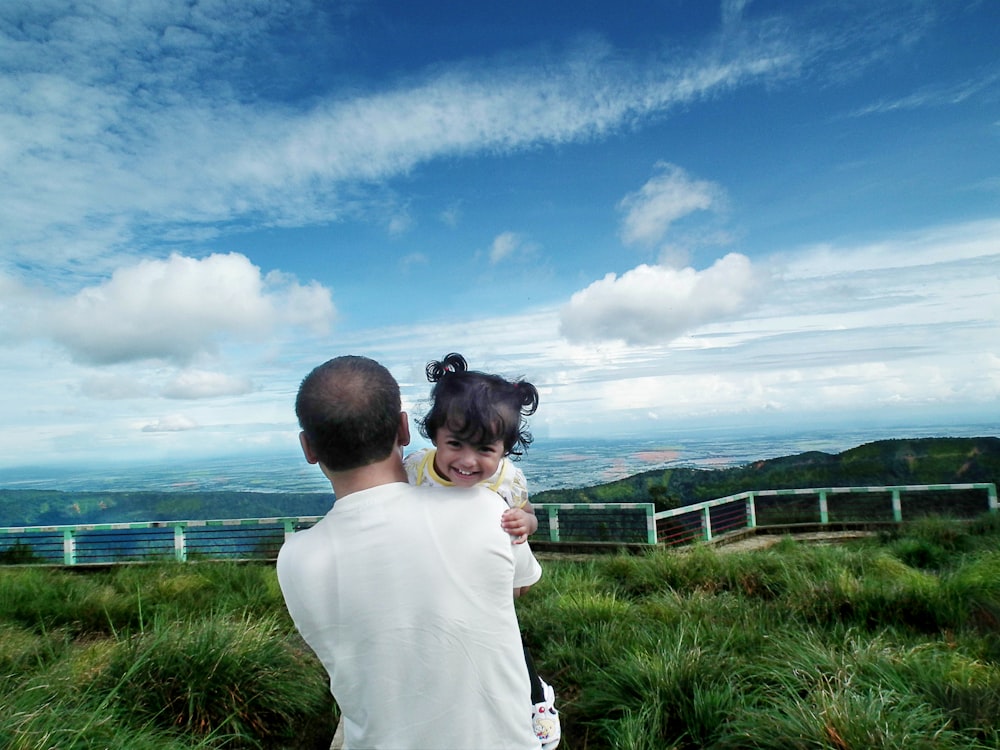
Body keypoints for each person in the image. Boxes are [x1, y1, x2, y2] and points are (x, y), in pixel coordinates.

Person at [276, 355, 543, 750]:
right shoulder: (489, 511)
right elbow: (517, 588)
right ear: (404, 428)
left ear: (308, 448)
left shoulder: (294, 560)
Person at [403, 353, 561, 748]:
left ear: (506, 448)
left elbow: (528, 514)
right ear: (434, 434)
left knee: (505, 642)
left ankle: (537, 699)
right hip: (436, 578)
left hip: (489, 580)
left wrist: (526, 523)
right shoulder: (415, 470)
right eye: (454, 443)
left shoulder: (508, 480)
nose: (467, 461)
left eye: (485, 450)